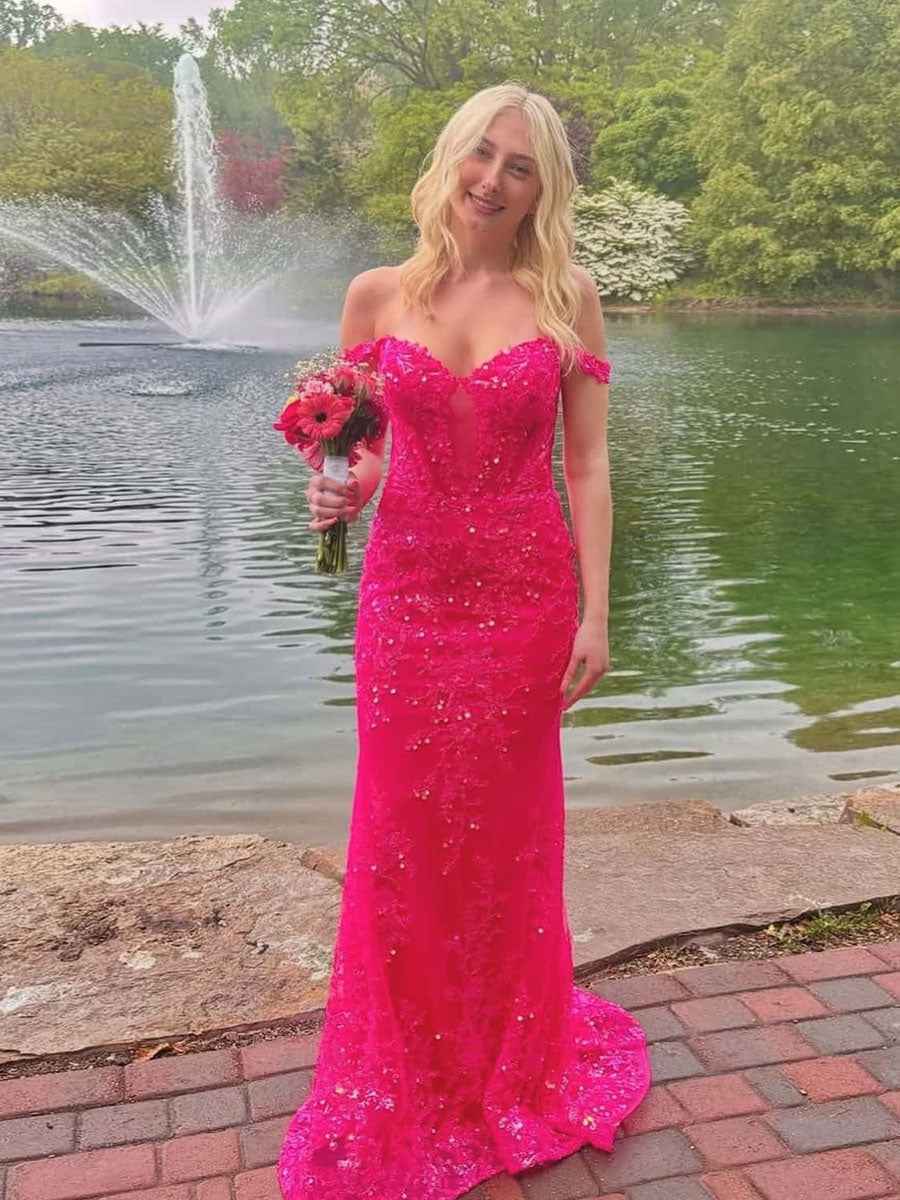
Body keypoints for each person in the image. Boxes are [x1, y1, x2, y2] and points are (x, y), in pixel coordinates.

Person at [277, 80, 651, 1200]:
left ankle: (512, 1054)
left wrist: (596, 611)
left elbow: (587, 464)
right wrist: (339, 493)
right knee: (402, 836)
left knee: (508, 837)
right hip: (406, 602)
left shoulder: (566, 297)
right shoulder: (377, 293)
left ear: (544, 189)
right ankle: (410, 1064)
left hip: (525, 600)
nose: (493, 179)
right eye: (483, 154)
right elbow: (365, 453)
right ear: (451, 157)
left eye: (521, 166)